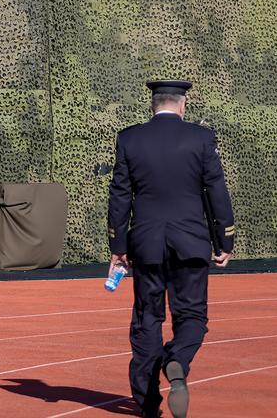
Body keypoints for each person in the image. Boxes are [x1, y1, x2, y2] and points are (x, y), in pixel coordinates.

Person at [109, 79, 236, 418]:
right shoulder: (202, 138)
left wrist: (118, 246)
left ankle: (147, 402)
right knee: (192, 314)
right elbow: (215, 192)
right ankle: (177, 358)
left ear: (154, 105)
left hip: (147, 244)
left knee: (147, 318)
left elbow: (121, 196)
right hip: (191, 242)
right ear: (182, 105)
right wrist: (224, 240)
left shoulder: (129, 138)